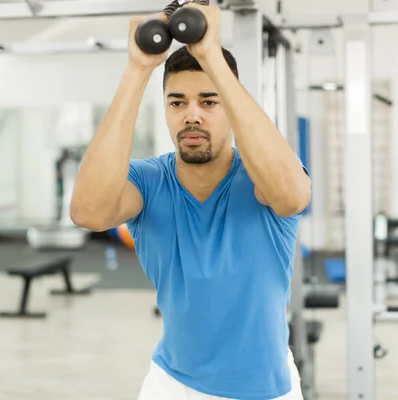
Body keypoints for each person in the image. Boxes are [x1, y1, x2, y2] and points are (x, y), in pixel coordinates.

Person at [70, 4, 311, 400]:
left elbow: (291, 196)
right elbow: (88, 212)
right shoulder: (149, 182)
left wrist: (212, 57)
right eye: (177, 102)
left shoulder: (262, 175)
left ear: (230, 109)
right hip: (172, 385)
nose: (192, 116)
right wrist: (138, 69)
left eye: (210, 102)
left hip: (268, 388)